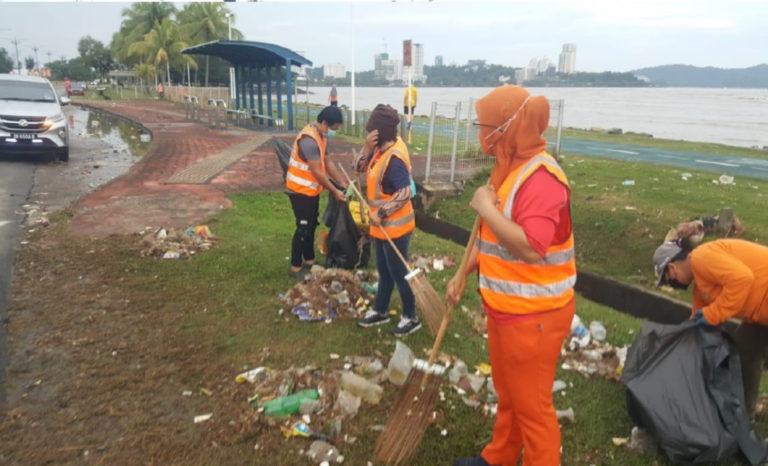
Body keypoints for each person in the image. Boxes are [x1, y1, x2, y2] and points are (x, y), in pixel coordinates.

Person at [446, 85, 576, 466]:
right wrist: (463, 273)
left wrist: (486, 208)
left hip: (535, 316)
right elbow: (494, 241)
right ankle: (498, 458)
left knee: (533, 410)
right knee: (510, 395)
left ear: (506, 126)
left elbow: (531, 247)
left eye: (482, 125)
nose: (478, 134)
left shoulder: (541, 178)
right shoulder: (509, 166)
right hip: (506, 310)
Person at [653, 238, 768, 417]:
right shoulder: (700, 284)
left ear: (672, 267)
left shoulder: (702, 258)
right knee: (746, 348)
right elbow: (697, 320)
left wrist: (712, 315)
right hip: (760, 310)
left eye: (668, 278)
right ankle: (744, 414)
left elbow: (743, 279)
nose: (671, 283)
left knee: (747, 346)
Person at [354, 104, 420, 336]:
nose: (367, 134)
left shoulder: (394, 160)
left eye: (370, 131)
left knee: (398, 273)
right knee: (384, 270)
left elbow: (404, 193)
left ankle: (411, 317)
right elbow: (358, 168)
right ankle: (380, 310)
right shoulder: (378, 150)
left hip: (396, 228)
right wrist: (365, 147)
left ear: (378, 133)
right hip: (381, 228)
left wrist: (381, 213)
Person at [285, 106, 348, 280]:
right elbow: (317, 172)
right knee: (303, 228)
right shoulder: (308, 141)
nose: (331, 132)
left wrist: (342, 182)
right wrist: (334, 191)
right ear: (324, 122)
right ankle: (296, 267)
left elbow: (328, 162)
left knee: (312, 224)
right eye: (332, 128)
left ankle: (310, 260)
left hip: (310, 192)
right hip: (299, 192)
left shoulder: (321, 136)